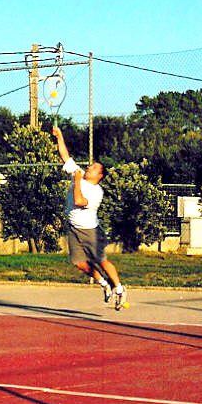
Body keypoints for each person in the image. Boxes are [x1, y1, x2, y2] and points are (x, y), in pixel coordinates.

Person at [52, 125, 127, 308]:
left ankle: (119, 288)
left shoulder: (96, 191)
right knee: (79, 263)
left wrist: (77, 180)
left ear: (99, 175)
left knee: (101, 260)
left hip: (90, 232)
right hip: (73, 229)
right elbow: (65, 156)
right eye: (90, 165)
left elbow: (78, 200)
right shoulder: (79, 174)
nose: (89, 167)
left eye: (93, 168)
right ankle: (104, 284)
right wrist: (59, 136)